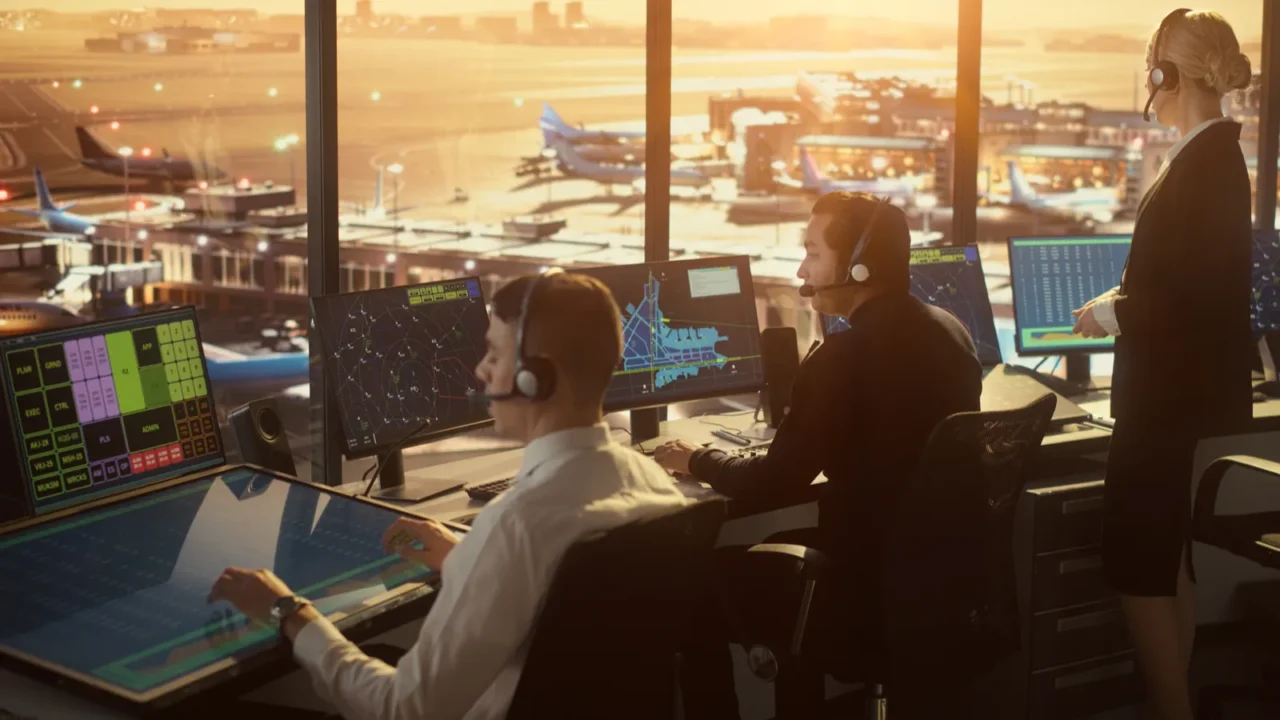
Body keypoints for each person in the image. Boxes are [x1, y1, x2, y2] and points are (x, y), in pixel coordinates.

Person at [208, 271, 688, 720]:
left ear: (533, 380)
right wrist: (466, 558)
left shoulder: (518, 524)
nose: (480, 371)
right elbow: (563, 598)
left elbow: (405, 709)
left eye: (495, 357)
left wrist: (288, 611)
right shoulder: (655, 486)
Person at [655, 191, 983, 716]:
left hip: (861, 583)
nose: (802, 266)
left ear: (856, 267)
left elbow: (772, 482)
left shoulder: (842, 358)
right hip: (934, 577)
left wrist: (693, 460)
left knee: (694, 583)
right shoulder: (951, 332)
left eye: (812, 251)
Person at [1072, 10, 1254, 720]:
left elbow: (1186, 298)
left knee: (1139, 569)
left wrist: (1114, 313)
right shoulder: (1209, 157)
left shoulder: (1206, 164)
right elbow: (1182, 280)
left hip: (1160, 403)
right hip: (1171, 399)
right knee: (1164, 561)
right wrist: (1122, 297)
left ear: (1163, 76)